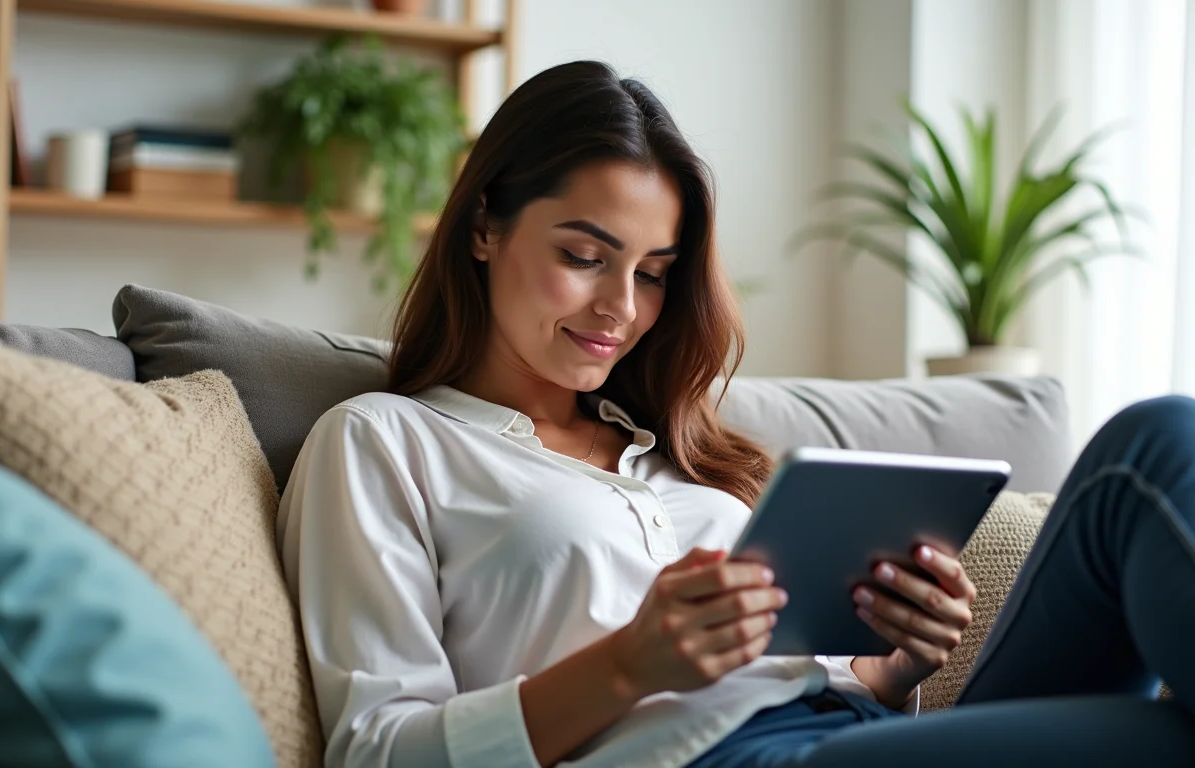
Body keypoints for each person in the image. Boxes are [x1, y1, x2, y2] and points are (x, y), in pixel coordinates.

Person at [276, 60, 1195, 768]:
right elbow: (377, 751)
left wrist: (897, 665)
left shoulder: (670, 451)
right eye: (585, 256)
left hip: (842, 734)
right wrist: (628, 665)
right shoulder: (383, 442)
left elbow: (820, 683)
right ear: (484, 227)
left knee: (1153, 439)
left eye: (653, 274)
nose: (621, 308)